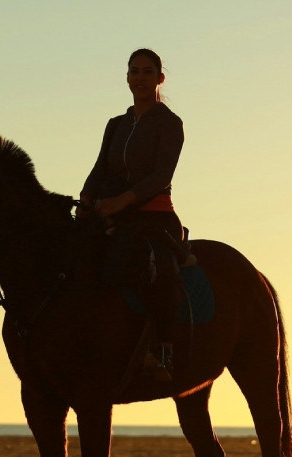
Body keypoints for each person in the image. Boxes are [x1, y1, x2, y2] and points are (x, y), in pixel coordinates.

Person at [80, 48, 186, 382]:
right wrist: (86, 199)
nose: (140, 77)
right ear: (127, 77)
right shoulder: (116, 125)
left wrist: (122, 200)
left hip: (154, 215)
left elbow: (161, 176)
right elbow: (99, 169)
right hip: (113, 212)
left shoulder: (170, 124)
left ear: (160, 78)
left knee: (153, 268)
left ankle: (161, 350)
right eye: (134, 71)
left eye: (147, 71)